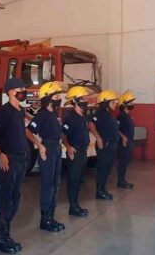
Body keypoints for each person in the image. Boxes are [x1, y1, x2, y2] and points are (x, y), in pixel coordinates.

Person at [0, 78, 28, 254]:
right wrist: (0, 153)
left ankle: (6, 231)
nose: (24, 91)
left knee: (15, 197)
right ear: (11, 91)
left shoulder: (20, 111)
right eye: (21, 89)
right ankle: (0, 237)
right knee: (5, 199)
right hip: (8, 161)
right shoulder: (3, 112)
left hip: (21, 160)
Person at [26, 81, 66, 232]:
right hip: (48, 148)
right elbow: (28, 131)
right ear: (48, 98)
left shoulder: (54, 114)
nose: (58, 98)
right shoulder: (42, 114)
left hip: (56, 148)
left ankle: (51, 216)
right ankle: (44, 220)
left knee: (55, 184)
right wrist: (40, 145)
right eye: (56, 96)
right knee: (48, 185)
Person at [62, 86, 91, 217]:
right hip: (75, 152)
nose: (85, 100)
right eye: (82, 98)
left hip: (83, 152)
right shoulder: (71, 117)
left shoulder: (83, 116)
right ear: (75, 101)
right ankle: (73, 207)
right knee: (73, 180)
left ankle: (76, 205)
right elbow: (63, 134)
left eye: (85, 98)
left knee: (79, 180)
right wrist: (68, 147)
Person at [89, 90, 119, 200]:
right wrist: (98, 138)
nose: (115, 104)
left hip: (111, 145)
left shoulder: (108, 113)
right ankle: (99, 191)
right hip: (104, 145)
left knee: (107, 168)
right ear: (106, 102)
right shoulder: (100, 113)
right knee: (103, 168)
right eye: (113, 102)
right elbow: (91, 123)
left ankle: (103, 189)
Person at [116, 90, 136, 189]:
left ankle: (123, 180)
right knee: (122, 162)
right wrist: (123, 137)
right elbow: (116, 129)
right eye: (130, 102)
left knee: (126, 162)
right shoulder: (121, 116)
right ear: (124, 104)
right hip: (123, 143)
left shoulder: (128, 115)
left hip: (129, 142)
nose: (132, 104)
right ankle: (120, 181)